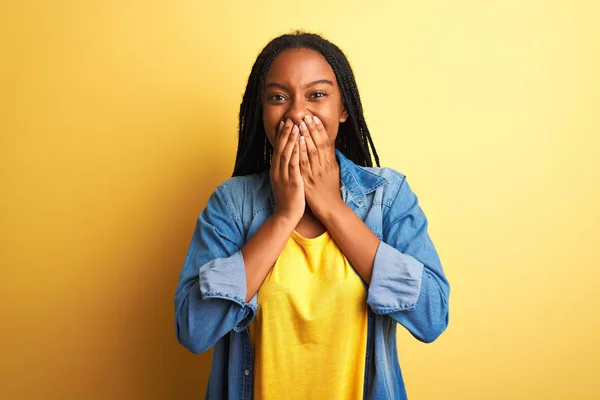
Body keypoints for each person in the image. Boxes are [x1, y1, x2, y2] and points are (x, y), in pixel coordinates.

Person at [174, 30, 450, 400]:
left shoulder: (388, 197)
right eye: (278, 97)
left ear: (343, 108)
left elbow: (432, 318)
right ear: (262, 111)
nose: (297, 112)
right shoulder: (231, 204)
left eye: (316, 95)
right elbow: (194, 330)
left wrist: (333, 209)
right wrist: (284, 217)